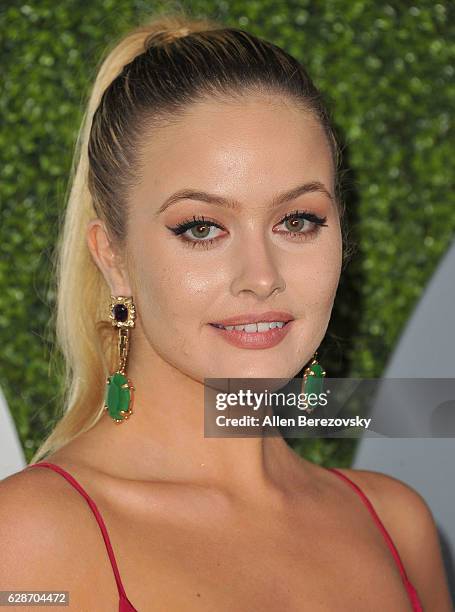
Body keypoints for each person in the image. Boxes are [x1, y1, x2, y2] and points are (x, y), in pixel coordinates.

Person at [0, 10, 451, 611]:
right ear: (114, 257)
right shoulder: (32, 537)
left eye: (298, 221)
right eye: (201, 228)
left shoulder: (397, 525)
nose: (261, 277)